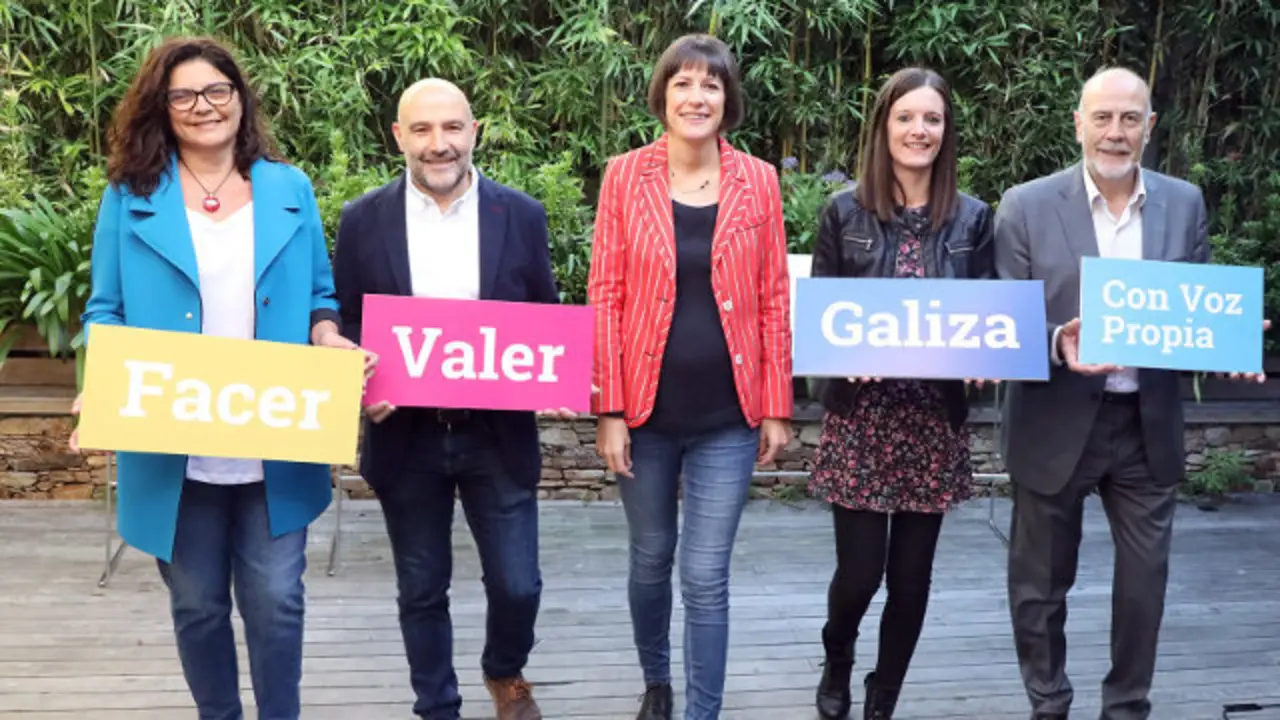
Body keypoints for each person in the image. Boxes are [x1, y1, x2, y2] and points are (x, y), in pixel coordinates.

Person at [73, 36, 365, 720]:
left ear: (239, 97)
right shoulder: (131, 194)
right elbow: (106, 306)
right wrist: (101, 376)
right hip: (171, 438)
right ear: (161, 107)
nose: (203, 106)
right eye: (183, 95)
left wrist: (327, 337)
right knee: (198, 603)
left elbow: (323, 296)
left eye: (216, 91)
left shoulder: (289, 186)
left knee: (277, 600)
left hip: (274, 434)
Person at [994, 66, 1268, 720]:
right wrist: (1058, 338)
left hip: (1145, 423)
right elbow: (1001, 323)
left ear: (1150, 126)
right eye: (1103, 118)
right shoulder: (1025, 206)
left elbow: (1192, 312)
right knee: (1039, 587)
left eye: (1130, 119)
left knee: (1144, 584)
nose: (1115, 133)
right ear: (1078, 123)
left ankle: (1126, 708)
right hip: (1054, 418)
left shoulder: (1185, 203)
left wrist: (1223, 342)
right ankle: (1048, 703)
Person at [330, 78, 561, 720]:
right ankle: (436, 705)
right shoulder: (361, 219)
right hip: (406, 437)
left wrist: (555, 375)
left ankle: (503, 669)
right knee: (421, 589)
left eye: (452, 128)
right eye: (424, 130)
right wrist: (360, 378)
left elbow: (543, 314)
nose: (440, 145)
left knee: (519, 585)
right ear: (399, 136)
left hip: (498, 434)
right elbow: (346, 321)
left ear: (474, 131)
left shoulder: (521, 214)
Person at [587, 33, 794, 720]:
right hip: (643, 416)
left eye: (710, 84)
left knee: (704, 576)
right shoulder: (624, 175)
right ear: (663, 95)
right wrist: (608, 409)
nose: (696, 96)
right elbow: (605, 295)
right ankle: (657, 682)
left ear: (727, 99)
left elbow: (772, 298)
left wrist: (775, 405)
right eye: (683, 83)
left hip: (727, 418)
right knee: (651, 561)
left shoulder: (759, 179)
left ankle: (703, 710)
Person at [805, 67, 995, 720]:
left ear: (947, 131)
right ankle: (837, 658)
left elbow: (991, 318)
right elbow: (821, 318)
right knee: (859, 577)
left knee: (910, 582)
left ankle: (883, 697)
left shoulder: (973, 219)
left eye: (933, 119)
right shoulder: (843, 213)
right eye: (906, 117)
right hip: (863, 420)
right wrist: (839, 357)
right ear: (884, 127)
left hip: (932, 421)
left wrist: (985, 361)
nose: (920, 130)